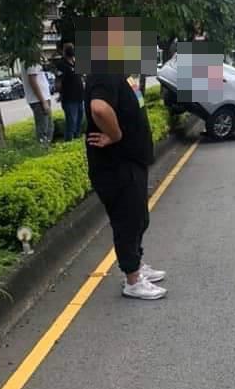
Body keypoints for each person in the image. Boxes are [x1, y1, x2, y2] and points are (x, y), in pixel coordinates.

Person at [85, 70, 166, 300]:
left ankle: (136, 265)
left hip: (131, 161)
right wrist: (116, 134)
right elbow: (99, 108)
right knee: (128, 222)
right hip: (117, 165)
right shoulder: (104, 71)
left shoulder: (118, 70)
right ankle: (132, 280)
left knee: (139, 218)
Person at [55, 43, 84, 141]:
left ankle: (77, 136)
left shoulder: (75, 62)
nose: (71, 51)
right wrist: (60, 93)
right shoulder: (61, 64)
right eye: (68, 49)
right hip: (69, 97)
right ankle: (69, 139)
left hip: (79, 96)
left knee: (80, 117)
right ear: (64, 52)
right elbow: (58, 81)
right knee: (71, 120)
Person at [22, 62, 54, 146]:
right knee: (44, 128)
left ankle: (46, 147)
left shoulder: (35, 60)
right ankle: (43, 148)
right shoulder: (30, 60)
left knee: (49, 127)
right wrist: (43, 102)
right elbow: (32, 81)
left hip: (43, 98)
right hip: (38, 100)